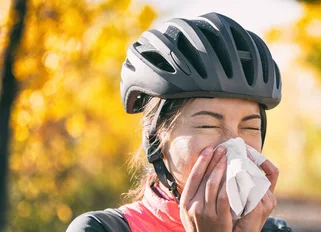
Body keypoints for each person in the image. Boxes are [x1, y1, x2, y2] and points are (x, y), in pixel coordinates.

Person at [67, 12, 290, 232]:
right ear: (155, 140)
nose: (234, 145)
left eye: (249, 127)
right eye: (208, 125)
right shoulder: (100, 229)